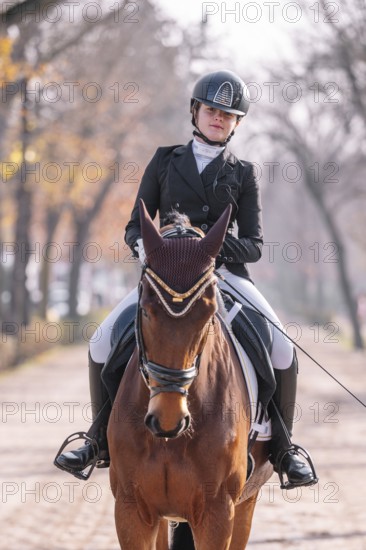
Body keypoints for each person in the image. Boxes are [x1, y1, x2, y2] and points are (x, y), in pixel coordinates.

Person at [55, 70, 317, 489]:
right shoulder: (164, 160)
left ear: (236, 124)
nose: (218, 119)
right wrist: (149, 249)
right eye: (211, 110)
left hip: (222, 276)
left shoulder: (244, 173)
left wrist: (201, 246)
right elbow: (134, 226)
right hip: (163, 276)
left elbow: (252, 245)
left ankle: (284, 449)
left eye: (227, 115)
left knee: (282, 347)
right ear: (195, 112)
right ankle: (96, 438)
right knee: (102, 340)